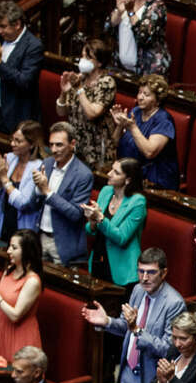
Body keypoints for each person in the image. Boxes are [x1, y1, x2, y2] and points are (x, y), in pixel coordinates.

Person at [82, 247, 186, 383]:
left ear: (164, 273)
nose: (144, 278)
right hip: (128, 372)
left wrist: (137, 331)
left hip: (150, 377)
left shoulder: (174, 303)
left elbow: (169, 349)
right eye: (141, 271)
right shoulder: (138, 290)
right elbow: (126, 326)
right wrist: (107, 321)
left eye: (151, 272)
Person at [0, 1, 44, 134]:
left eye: (3, 26)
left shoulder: (33, 46)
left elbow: (25, 81)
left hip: (15, 117)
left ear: (17, 24)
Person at [0, 229, 43, 361]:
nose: (8, 251)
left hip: (20, 337)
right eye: (9, 246)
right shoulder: (9, 271)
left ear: (27, 251)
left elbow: (15, 315)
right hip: (1, 330)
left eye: (14, 248)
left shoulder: (32, 281)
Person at [33, 121, 94, 266]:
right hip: (40, 237)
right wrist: (38, 190)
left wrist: (47, 191)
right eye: (51, 144)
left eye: (59, 145)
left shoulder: (83, 175)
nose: (54, 150)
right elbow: (34, 201)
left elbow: (76, 213)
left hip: (62, 244)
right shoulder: (47, 163)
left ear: (72, 144)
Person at [83, 157, 147, 289]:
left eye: (116, 172)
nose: (109, 174)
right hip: (98, 259)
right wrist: (92, 221)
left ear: (128, 180)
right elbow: (91, 231)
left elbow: (121, 238)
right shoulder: (106, 191)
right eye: (111, 169)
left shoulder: (137, 202)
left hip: (121, 268)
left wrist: (101, 219)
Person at [55, 37, 117, 172]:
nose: (83, 60)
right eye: (83, 56)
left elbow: (92, 113)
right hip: (76, 145)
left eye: (88, 58)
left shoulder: (106, 82)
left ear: (100, 62)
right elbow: (61, 112)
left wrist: (79, 89)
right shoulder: (80, 78)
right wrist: (63, 92)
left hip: (96, 149)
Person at [112, 74, 180, 189]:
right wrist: (119, 125)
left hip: (155, 182)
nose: (140, 97)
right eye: (139, 92)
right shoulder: (136, 111)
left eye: (146, 94)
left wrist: (133, 127)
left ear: (158, 100)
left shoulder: (164, 121)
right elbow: (114, 143)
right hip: (129, 174)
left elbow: (149, 152)